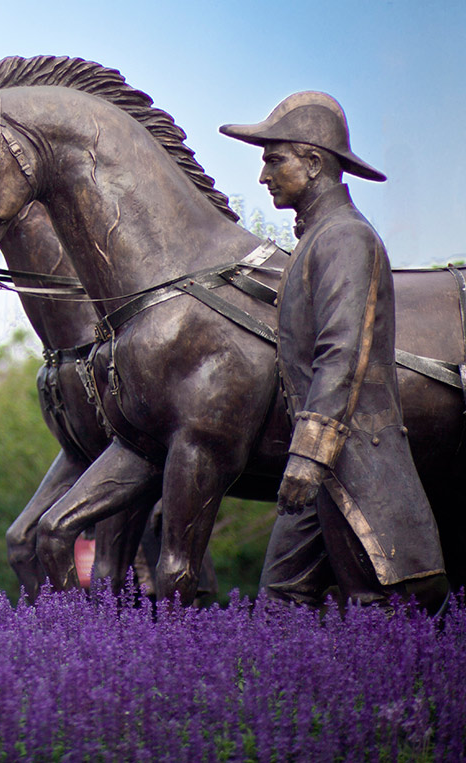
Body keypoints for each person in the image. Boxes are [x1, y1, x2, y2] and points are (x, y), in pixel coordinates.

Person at [220, 91, 447, 613]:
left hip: (350, 458)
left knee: (385, 607)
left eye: (274, 159)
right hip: (322, 464)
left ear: (314, 162)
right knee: (282, 601)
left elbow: (341, 354)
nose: (262, 176)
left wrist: (308, 454)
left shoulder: (345, 238)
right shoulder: (319, 238)